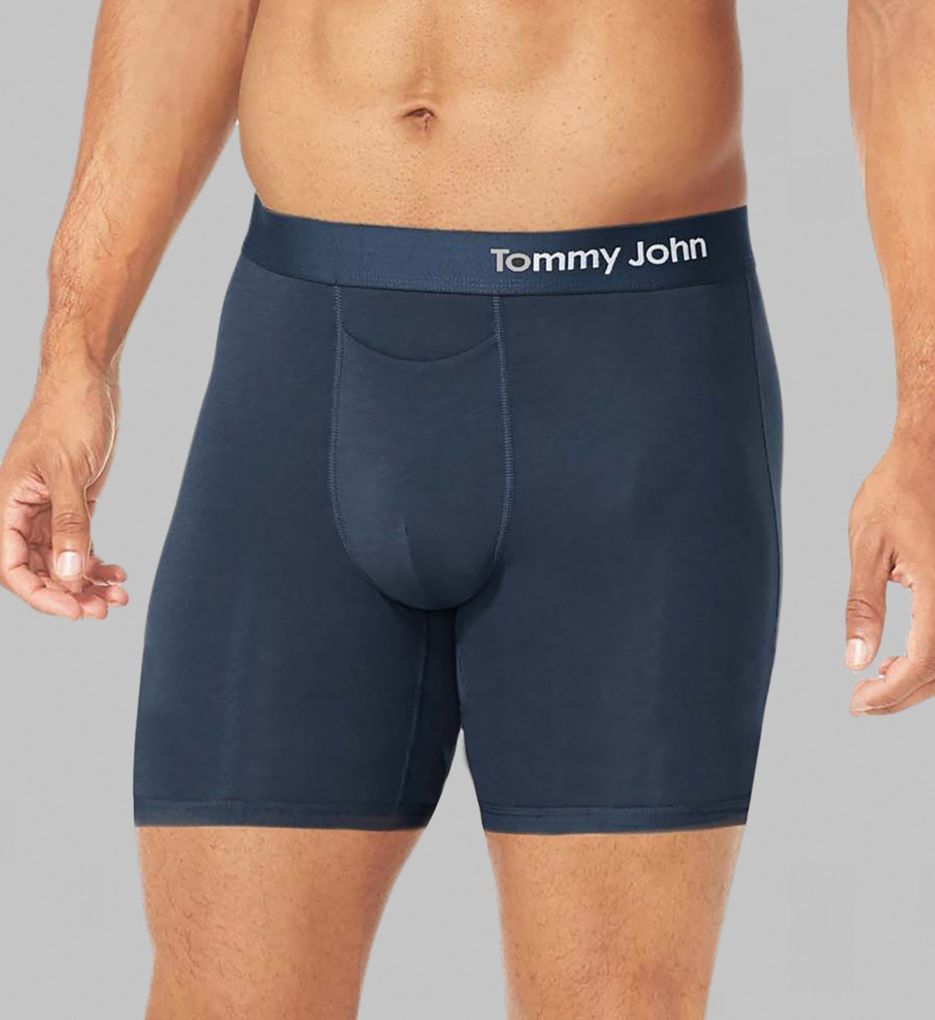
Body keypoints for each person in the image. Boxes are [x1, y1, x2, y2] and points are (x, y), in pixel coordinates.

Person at [0, 2, 931, 1017]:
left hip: (626, 382)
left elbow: (899, 23)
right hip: (298, 370)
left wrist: (924, 427)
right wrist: (74, 353)